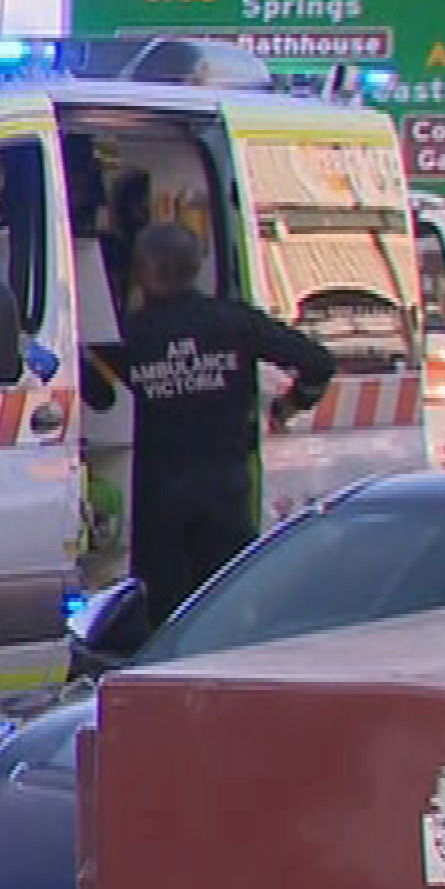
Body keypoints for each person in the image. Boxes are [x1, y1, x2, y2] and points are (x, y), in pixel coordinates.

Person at [84, 221, 338, 626]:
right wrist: (288, 406)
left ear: (142, 271)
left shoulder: (129, 336)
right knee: (225, 609)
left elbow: (99, 397)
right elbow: (319, 363)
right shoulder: (234, 322)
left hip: (160, 504)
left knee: (167, 618)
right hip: (226, 494)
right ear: (196, 266)